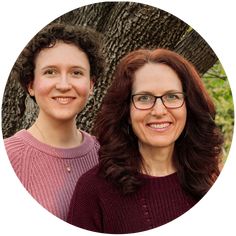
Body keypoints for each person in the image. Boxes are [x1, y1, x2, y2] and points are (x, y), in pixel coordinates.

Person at [67, 48, 224, 233]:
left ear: (189, 107)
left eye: (172, 96)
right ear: (126, 111)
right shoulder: (93, 190)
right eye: (144, 98)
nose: (159, 111)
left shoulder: (213, 179)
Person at [4, 23, 105, 221]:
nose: (64, 85)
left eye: (76, 72)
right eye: (50, 72)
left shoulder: (108, 154)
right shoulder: (9, 157)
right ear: (31, 84)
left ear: (91, 85)